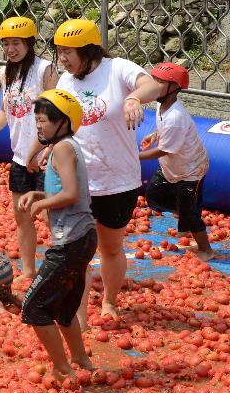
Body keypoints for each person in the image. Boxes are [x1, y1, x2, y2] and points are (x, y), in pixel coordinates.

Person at [47, 18, 160, 320]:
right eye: (59, 52)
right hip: (77, 182)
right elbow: (58, 124)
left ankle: (110, 301)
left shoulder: (117, 69)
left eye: (68, 52)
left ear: (89, 51)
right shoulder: (65, 81)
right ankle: (78, 319)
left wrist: (134, 97)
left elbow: (152, 84)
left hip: (116, 180)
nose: (63, 59)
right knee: (76, 254)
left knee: (110, 248)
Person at [18, 89, 97, 378]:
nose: (39, 126)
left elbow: (72, 194)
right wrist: (39, 193)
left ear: (63, 121)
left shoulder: (63, 148)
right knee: (64, 308)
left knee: (34, 307)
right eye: (37, 120)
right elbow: (63, 190)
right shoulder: (67, 146)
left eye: (44, 121)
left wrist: (40, 204)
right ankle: (81, 361)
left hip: (72, 240)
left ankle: (63, 369)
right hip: (83, 237)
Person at [0, 16, 58, 282]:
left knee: (49, 216)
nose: (11, 49)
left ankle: (69, 268)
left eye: (16, 43)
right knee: (22, 216)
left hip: (46, 157)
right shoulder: (5, 72)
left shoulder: (45, 70)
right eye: (6, 44)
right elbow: (5, 110)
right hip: (21, 157)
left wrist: (46, 148)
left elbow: (60, 114)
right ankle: (29, 270)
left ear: (30, 43)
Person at [138, 63, 213, 261]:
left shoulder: (176, 117)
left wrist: (133, 157)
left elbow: (164, 150)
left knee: (190, 214)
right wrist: (154, 135)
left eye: (160, 82)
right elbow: (163, 129)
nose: (155, 85)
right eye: (154, 81)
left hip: (191, 169)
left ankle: (206, 249)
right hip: (172, 167)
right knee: (154, 197)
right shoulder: (160, 104)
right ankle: (185, 209)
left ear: (174, 88)